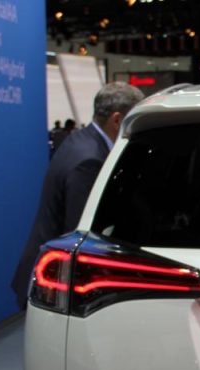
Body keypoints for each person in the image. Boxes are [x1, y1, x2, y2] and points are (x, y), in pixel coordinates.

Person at [11, 83, 145, 308]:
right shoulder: (89, 160)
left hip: (50, 275)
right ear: (116, 120)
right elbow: (80, 233)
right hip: (56, 283)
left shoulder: (81, 140)